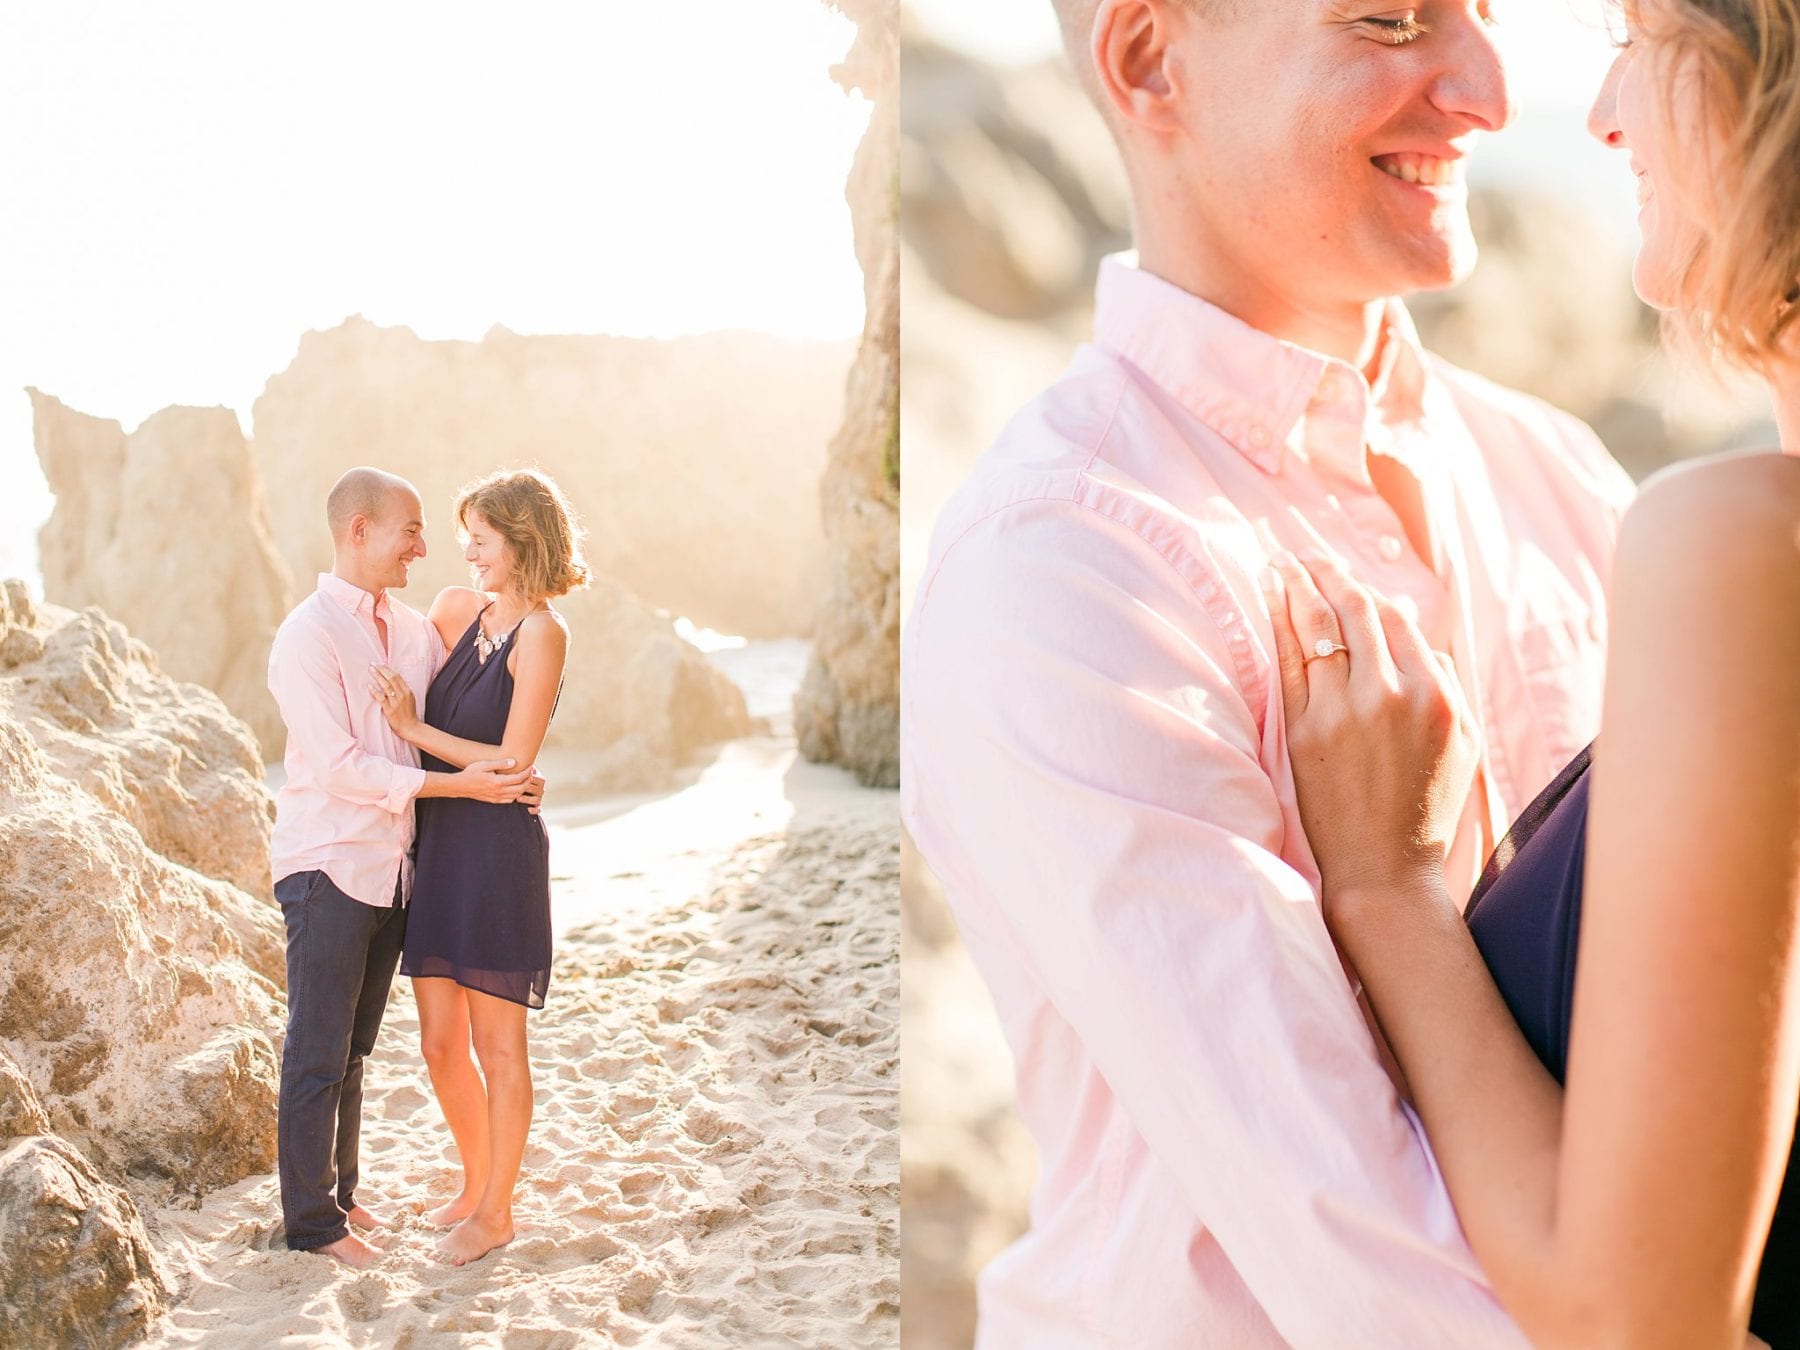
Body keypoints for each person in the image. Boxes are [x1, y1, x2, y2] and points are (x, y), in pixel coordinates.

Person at [903, 0, 1639, 1343]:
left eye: (1481, 15)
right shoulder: (1065, 569)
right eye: (1394, 21)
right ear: (1149, 60)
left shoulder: (1561, 480)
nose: (1483, 89)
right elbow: (1368, 1264)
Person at [1265, 0, 1800, 1343]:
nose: (1603, 110)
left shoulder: (1741, 548)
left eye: (1641, 32)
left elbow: (1641, 1318)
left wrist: (1394, 896)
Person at [268, 467, 542, 1269]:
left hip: (395, 870)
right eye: (410, 531)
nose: (425, 548)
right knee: (315, 1049)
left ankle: (340, 1200)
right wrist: (464, 784)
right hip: (328, 862)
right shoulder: (308, 635)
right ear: (358, 530)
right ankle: (313, 1226)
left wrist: (508, 769)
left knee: (351, 1051)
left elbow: (469, 710)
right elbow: (343, 766)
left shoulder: (412, 629)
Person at [368, 467, 587, 1266]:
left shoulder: (545, 634)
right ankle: (475, 1180)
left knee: (499, 1048)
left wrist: (415, 731)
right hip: (441, 845)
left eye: (482, 540)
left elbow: (512, 760)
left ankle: (496, 1211)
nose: (467, 554)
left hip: (497, 856)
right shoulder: (460, 612)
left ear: (522, 540)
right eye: (466, 539)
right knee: (436, 1041)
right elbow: (385, 636)